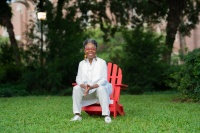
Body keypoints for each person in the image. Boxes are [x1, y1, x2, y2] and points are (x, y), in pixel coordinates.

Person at [70, 39, 112, 123]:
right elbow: (78, 78)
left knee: (101, 88)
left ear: (95, 49)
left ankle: (107, 116)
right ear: (85, 50)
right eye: (87, 48)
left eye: (92, 48)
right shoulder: (81, 63)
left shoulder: (102, 62)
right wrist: (84, 87)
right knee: (76, 88)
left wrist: (92, 87)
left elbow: (103, 79)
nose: (90, 50)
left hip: (98, 91)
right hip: (87, 92)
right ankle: (77, 115)